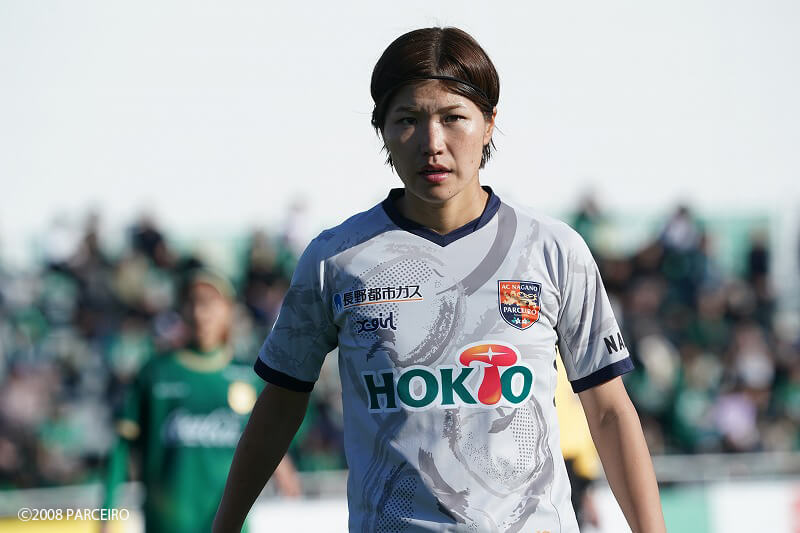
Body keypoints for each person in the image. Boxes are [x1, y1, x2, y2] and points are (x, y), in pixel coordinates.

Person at [214, 27, 665, 532]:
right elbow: (280, 406)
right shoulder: (334, 259)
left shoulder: (554, 250)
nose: (433, 143)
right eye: (408, 120)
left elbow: (608, 411)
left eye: (453, 118)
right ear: (381, 129)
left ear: (489, 123)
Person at [103, 268, 300, 533]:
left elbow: (263, 439)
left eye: (210, 303)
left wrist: (281, 464)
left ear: (228, 310)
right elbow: (121, 449)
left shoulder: (250, 376)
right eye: (192, 302)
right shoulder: (155, 372)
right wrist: (106, 514)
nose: (200, 312)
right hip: (167, 526)